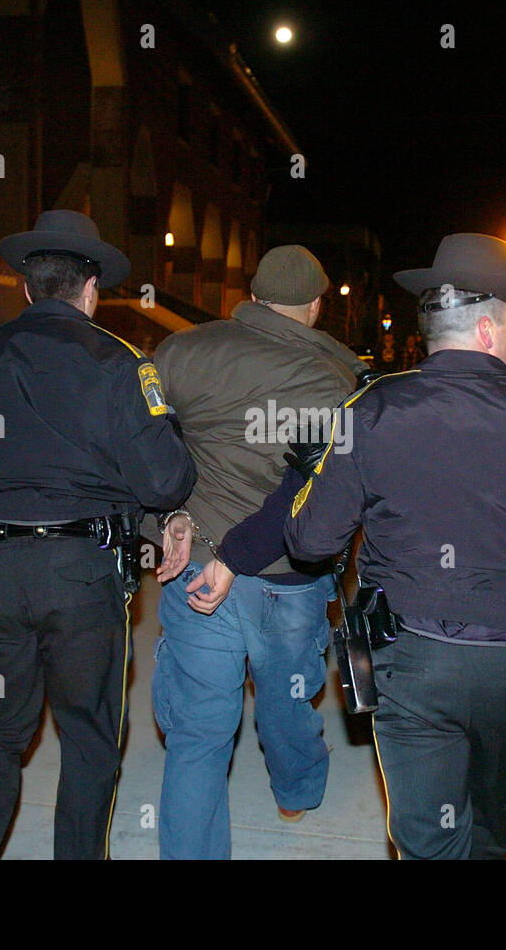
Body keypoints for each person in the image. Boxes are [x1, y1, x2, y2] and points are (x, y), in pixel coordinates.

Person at [278, 233, 506, 859]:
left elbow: (311, 540)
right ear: (485, 330)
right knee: (488, 817)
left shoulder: (371, 411)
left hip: (412, 663)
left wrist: (319, 474)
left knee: (427, 839)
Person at [0, 210, 197, 860]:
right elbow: (165, 482)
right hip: (82, 577)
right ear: (91, 291)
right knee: (89, 737)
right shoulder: (121, 365)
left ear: (26, 289)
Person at [149, 244, 367, 860]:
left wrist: (165, 518)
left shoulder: (183, 351)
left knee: (199, 732)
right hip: (289, 574)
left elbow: (143, 448)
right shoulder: (336, 380)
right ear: (318, 305)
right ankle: (296, 789)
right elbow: (322, 488)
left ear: (254, 294)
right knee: (287, 695)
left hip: (197, 560)